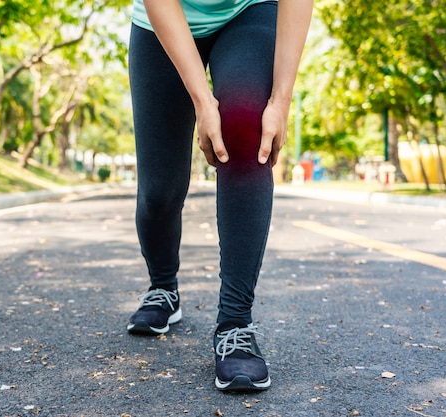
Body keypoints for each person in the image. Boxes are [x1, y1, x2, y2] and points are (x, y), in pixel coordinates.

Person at [126, 0, 313, 391]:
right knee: (159, 193)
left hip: (249, 11)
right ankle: (163, 287)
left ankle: (235, 324)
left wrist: (280, 101)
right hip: (163, 19)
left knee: (246, 130)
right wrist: (202, 100)